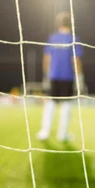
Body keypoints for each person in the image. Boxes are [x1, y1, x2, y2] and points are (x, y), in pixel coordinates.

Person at [36, 11, 84, 142]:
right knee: (66, 105)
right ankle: (62, 135)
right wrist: (80, 77)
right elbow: (76, 60)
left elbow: (46, 58)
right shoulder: (74, 39)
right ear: (71, 24)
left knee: (50, 103)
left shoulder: (53, 38)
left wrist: (46, 75)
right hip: (68, 78)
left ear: (58, 24)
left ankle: (45, 132)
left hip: (53, 76)